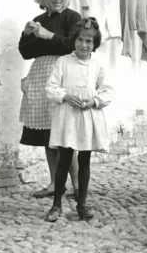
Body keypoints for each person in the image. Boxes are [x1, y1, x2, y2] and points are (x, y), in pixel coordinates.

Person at [19, 0, 81, 198]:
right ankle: (56, 183)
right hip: (40, 77)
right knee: (48, 134)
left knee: (65, 134)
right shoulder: (39, 19)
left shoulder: (73, 18)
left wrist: (48, 35)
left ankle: (76, 185)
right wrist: (27, 35)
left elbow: (73, 45)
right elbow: (26, 53)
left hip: (62, 75)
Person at [44, 17, 112, 222]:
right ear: (74, 40)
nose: (84, 45)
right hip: (68, 117)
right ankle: (56, 204)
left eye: (89, 41)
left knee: (84, 160)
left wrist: (94, 101)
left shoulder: (98, 65)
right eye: (81, 40)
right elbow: (51, 87)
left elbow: (108, 90)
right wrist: (65, 96)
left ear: (95, 44)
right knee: (64, 160)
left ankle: (82, 204)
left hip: (88, 117)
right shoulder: (63, 62)